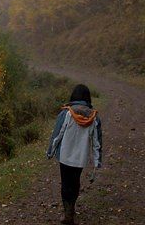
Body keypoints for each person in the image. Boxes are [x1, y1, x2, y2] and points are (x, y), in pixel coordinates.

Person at [47, 84, 102, 225]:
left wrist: (50, 151)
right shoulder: (94, 117)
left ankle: (68, 213)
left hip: (65, 156)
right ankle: (71, 208)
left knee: (65, 183)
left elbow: (57, 135)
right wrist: (97, 162)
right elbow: (97, 142)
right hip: (80, 158)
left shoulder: (66, 113)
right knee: (75, 182)